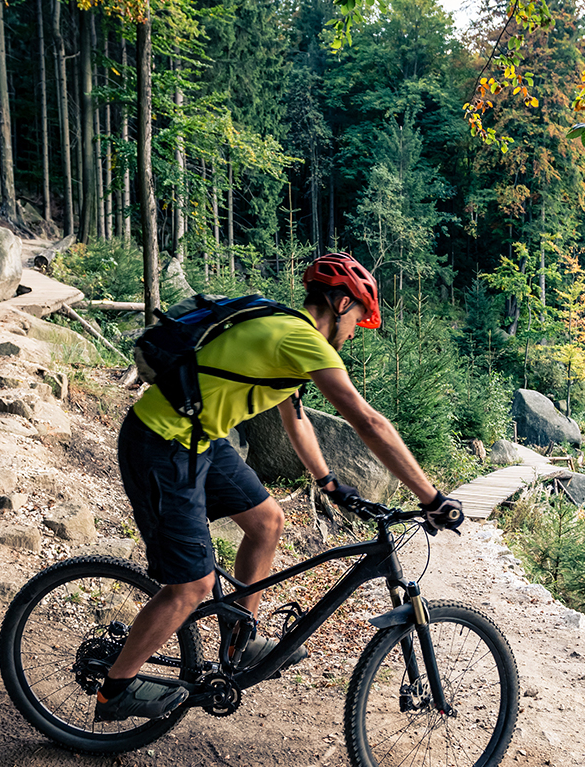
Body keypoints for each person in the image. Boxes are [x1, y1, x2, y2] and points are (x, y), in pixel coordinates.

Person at [96, 252, 465, 721]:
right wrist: (431, 498)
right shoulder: (299, 337)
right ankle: (116, 689)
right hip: (162, 442)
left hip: (200, 438)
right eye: (357, 318)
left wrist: (327, 482)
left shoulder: (288, 332)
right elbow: (368, 421)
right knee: (192, 584)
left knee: (267, 521)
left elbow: (296, 417)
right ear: (339, 302)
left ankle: (239, 640)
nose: (355, 332)